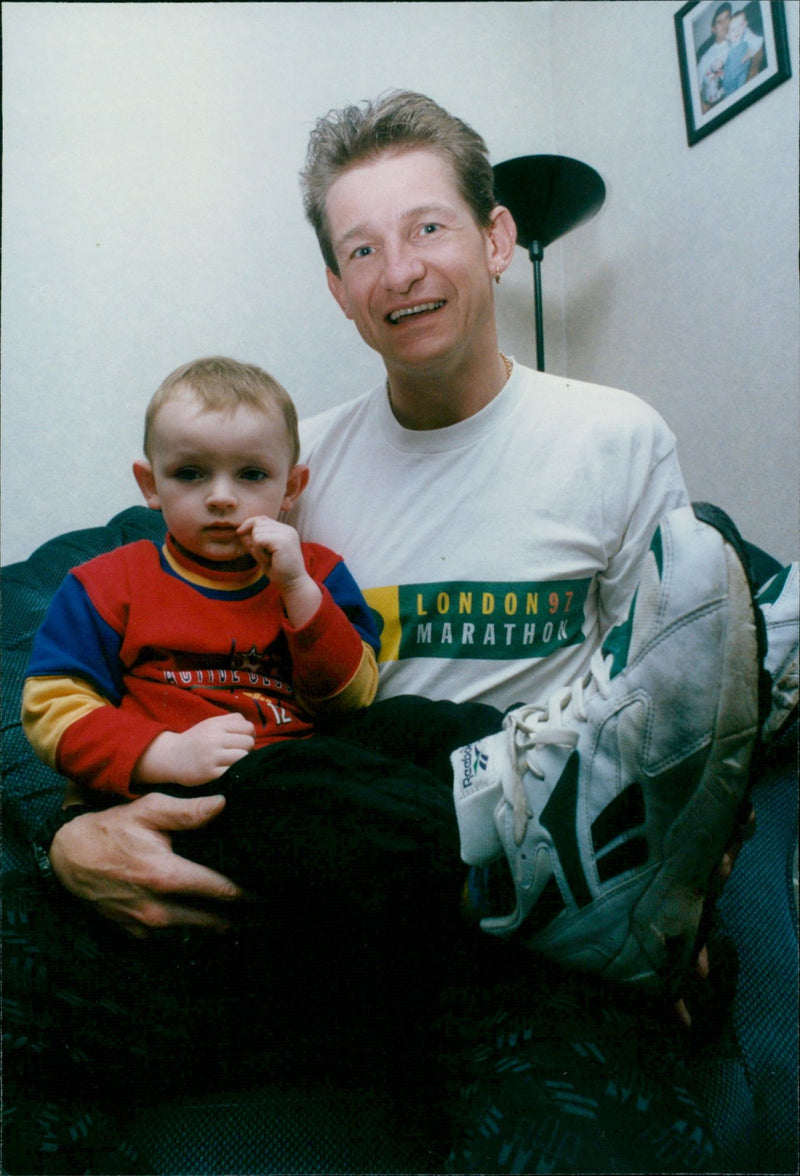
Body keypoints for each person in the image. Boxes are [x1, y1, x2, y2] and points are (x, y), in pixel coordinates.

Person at [5, 90, 793, 1175]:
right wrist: (67, 827)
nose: (401, 269)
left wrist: (687, 894)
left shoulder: (613, 438)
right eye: (362, 248)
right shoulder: (289, 471)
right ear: (338, 290)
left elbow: (676, 689)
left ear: (497, 237)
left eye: (428, 228)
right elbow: (74, 616)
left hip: (524, 936)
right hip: (328, 889)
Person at [22, 355, 379, 800]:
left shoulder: (316, 573)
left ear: (291, 488)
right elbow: (51, 708)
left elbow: (353, 700)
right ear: (150, 485)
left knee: (423, 724)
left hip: (302, 774)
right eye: (190, 473)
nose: (221, 497)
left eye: (252, 474)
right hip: (174, 791)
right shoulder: (109, 584)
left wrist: (297, 590)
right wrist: (163, 752)